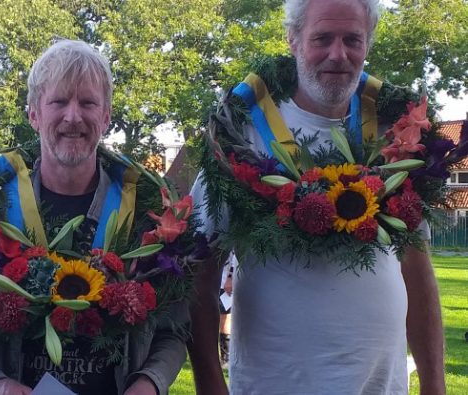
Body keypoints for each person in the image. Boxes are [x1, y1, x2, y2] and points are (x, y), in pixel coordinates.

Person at [187, 1, 446, 394]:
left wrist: (435, 384)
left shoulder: (397, 134)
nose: (338, 54)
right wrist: (210, 384)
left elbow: (417, 267)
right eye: (322, 38)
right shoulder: (243, 133)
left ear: (368, 43)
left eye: (352, 40)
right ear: (293, 40)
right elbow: (200, 272)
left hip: (383, 385)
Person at [0, 39, 190, 395]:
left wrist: (151, 383)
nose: (74, 117)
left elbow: (172, 331)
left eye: (87, 102)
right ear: (34, 114)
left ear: (106, 115)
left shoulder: (146, 212)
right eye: (59, 101)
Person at [217, 252, 236, 368]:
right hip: (216, 279)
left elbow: (235, 255)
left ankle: (226, 357)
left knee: (225, 318)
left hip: (225, 282)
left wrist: (230, 277)